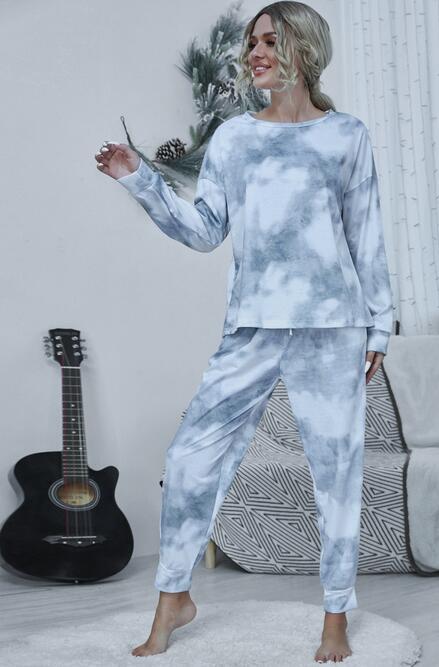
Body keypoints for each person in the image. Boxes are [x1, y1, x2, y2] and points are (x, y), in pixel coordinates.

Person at [95, 1, 393, 662]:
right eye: (252, 42)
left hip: (332, 326)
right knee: (188, 458)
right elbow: (206, 232)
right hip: (253, 324)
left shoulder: (347, 136)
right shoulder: (234, 138)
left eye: (270, 40)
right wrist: (140, 180)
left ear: (304, 49)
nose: (255, 52)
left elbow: (366, 234)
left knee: (336, 473)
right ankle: (174, 597)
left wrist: (380, 325)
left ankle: (336, 615)